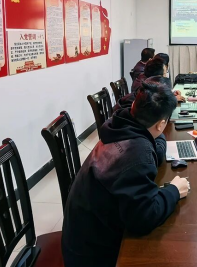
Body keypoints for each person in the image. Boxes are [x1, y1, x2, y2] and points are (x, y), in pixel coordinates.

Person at [62, 82, 189, 267]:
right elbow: (144, 219)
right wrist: (174, 191)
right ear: (161, 124)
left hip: (82, 234)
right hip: (91, 255)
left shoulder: (118, 125)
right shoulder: (138, 154)